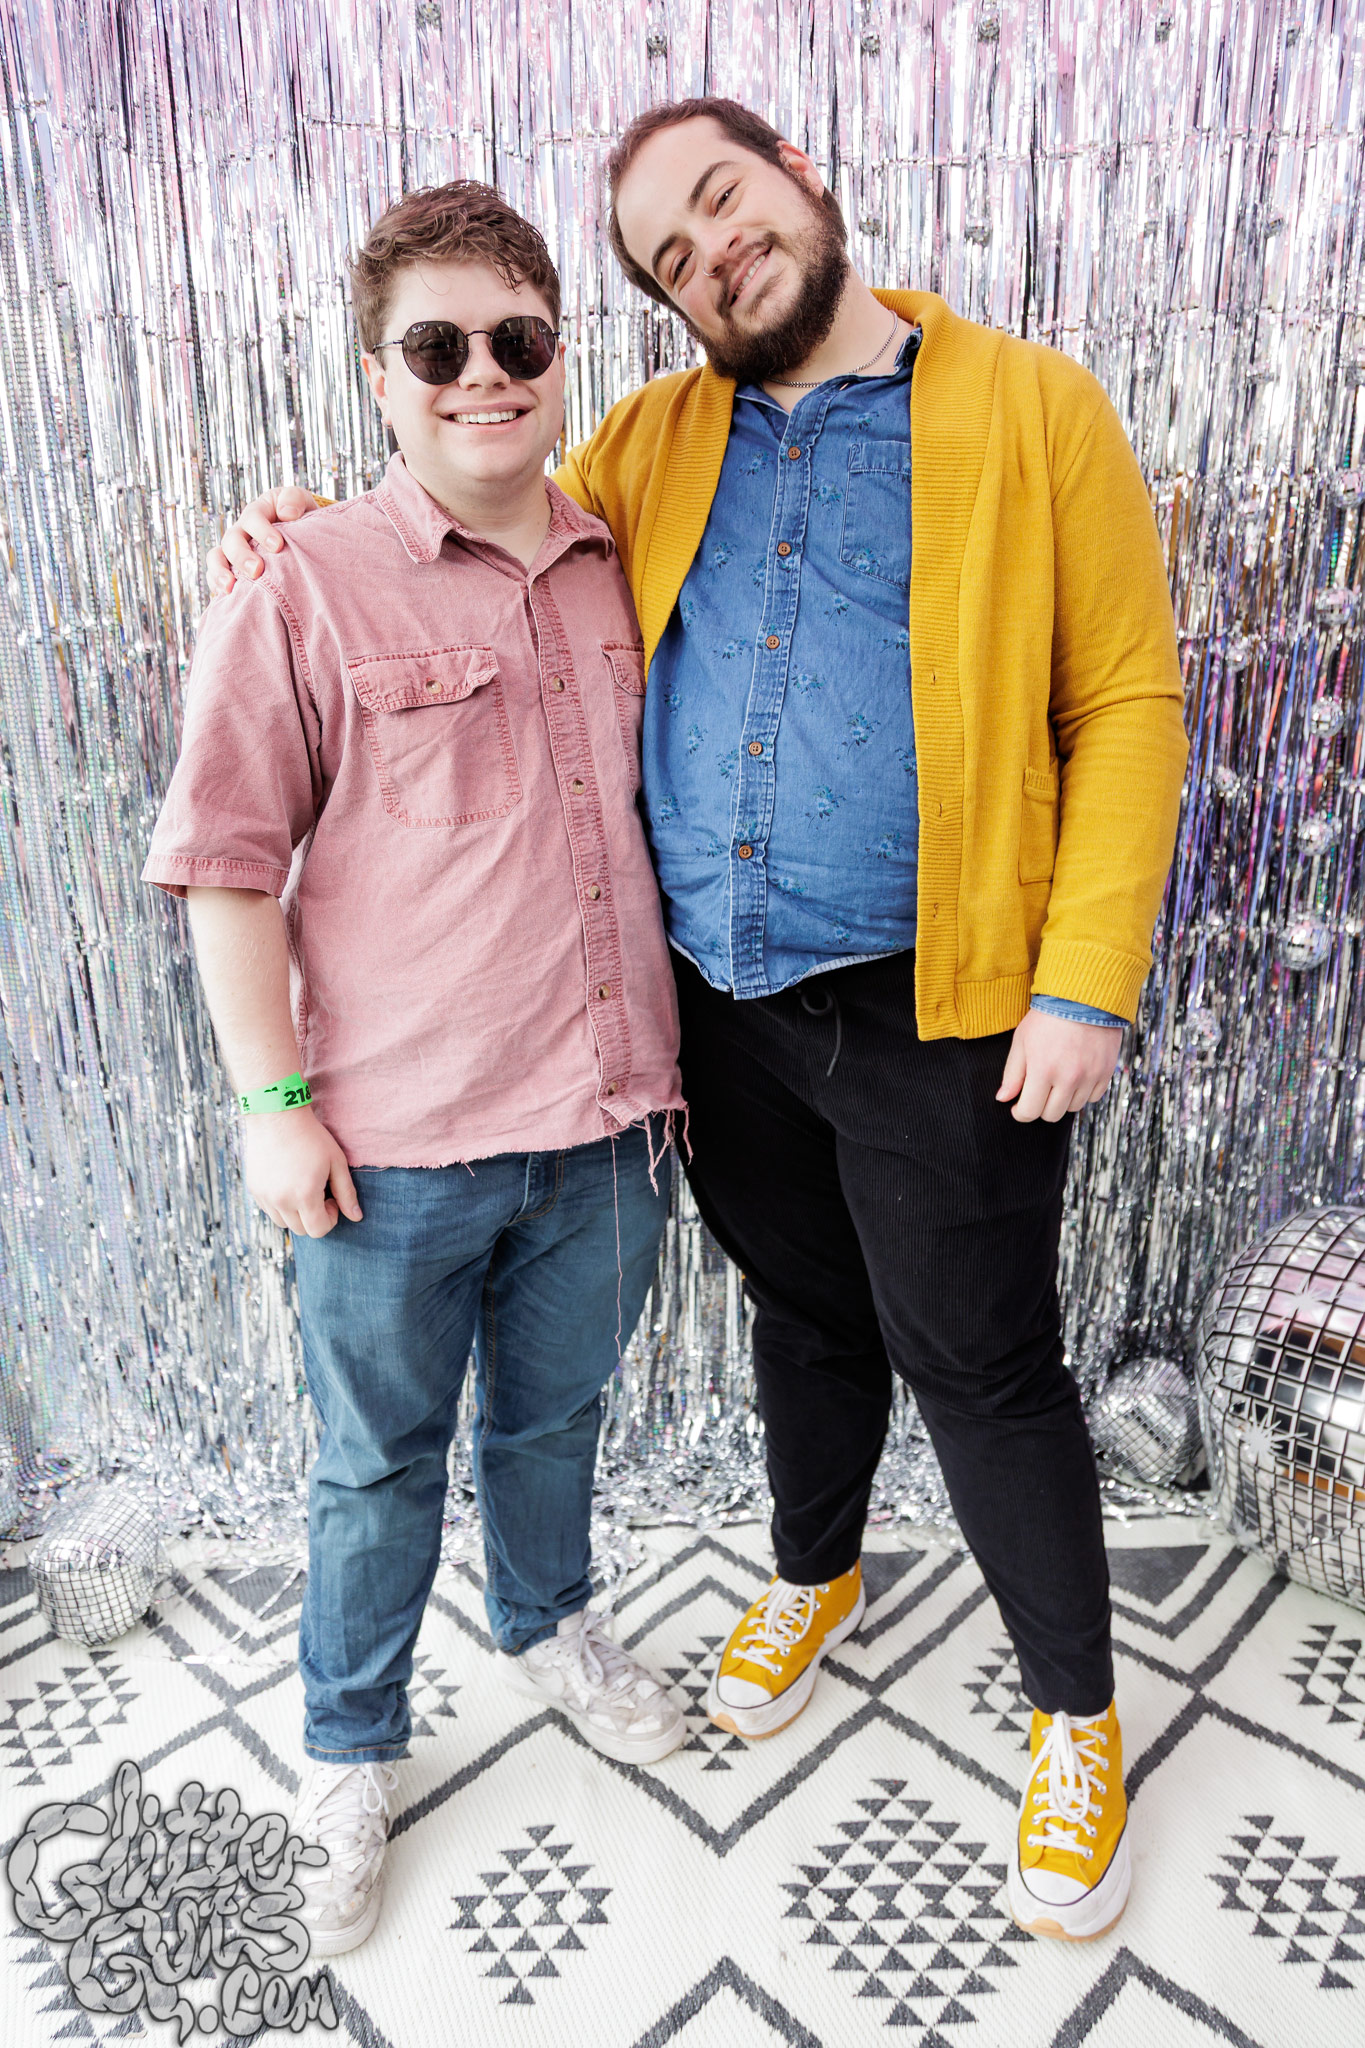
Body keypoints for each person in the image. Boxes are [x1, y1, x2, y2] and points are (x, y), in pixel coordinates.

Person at [208, 98, 1188, 1944]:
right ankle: (816, 1570)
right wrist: (285, 528)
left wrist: (1084, 978)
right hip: (717, 1014)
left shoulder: (1033, 406)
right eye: (668, 255)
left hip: (942, 1006)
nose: (711, 252)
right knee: (803, 1319)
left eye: (721, 202)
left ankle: (1074, 1718)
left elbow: (1125, 702)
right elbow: (464, 503)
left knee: (978, 1361)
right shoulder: (654, 440)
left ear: (801, 176)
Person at [145, 182, 689, 1959]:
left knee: (555, 1421)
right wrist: (271, 1108)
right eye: (436, 348)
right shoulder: (302, 582)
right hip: (396, 1149)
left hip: (610, 1124)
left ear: (559, 354)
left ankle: (546, 1623)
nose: (482, 376)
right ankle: (347, 1746)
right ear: (379, 377)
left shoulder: (624, 558)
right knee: (376, 1465)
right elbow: (227, 864)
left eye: (516, 340)